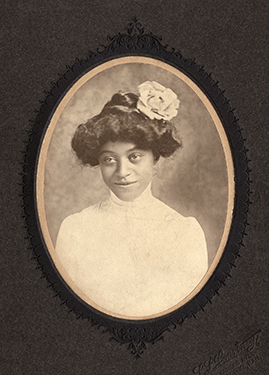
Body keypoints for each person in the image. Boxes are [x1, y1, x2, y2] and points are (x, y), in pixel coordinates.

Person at [55, 81, 208, 318]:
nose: (122, 171)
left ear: (154, 157)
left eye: (134, 156)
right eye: (109, 159)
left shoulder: (184, 232)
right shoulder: (75, 229)